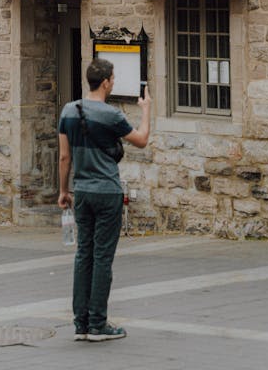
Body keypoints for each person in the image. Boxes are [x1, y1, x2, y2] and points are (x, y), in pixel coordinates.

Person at [58, 59, 151, 342]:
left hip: (82, 192)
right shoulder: (112, 115)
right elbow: (142, 140)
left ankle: (81, 323)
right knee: (102, 258)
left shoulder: (68, 111)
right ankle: (98, 323)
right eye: (113, 79)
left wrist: (64, 191)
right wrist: (146, 111)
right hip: (108, 192)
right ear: (107, 82)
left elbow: (64, 156)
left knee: (83, 255)